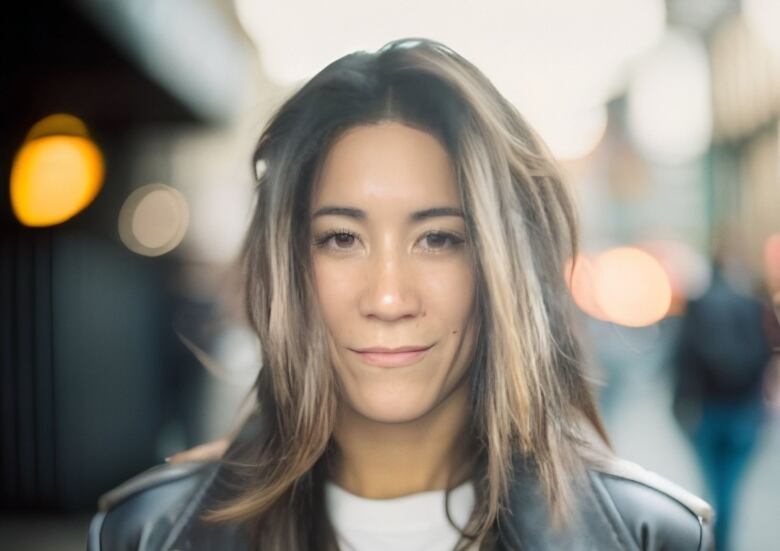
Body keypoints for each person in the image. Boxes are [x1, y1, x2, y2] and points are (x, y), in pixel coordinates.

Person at [87, 38, 713, 550]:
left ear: (500, 267)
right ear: (287, 265)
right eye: (340, 239)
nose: (388, 298)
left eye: (438, 238)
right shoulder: (147, 534)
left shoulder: (650, 536)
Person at [671, 258, 775, 551]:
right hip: (743, 409)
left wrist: (679, 404)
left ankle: (714, 536)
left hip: (706, 410)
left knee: (713, 482)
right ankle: (721, 537)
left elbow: (682, 357)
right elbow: (766, 353)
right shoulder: (752, 306)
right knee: (730, 484)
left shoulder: (697, 306)